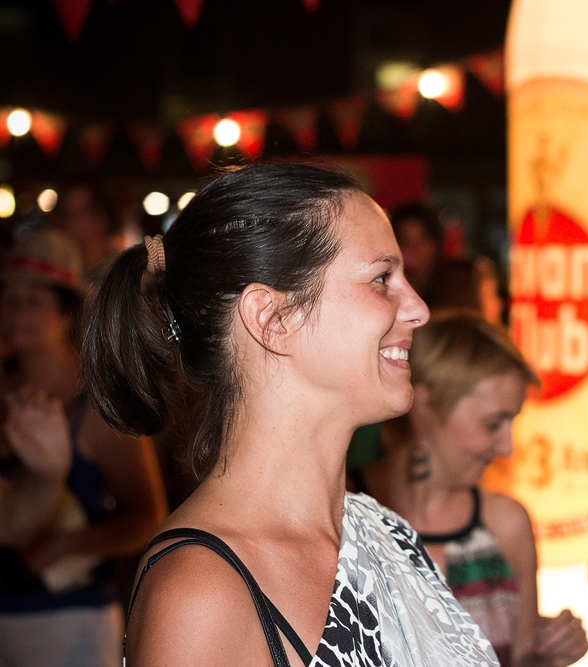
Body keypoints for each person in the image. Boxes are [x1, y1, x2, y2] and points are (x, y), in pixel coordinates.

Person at [81, 164, 499, 667]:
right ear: (272, 318)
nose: (418, 309)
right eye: (381, 279)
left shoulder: (389, 532)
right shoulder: (202, 593)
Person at [355, 312, 588, 667]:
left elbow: (521, 660)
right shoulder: (342, 508)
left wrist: (550, 656)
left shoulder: (505, 523)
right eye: (493, 424)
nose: (507, 447)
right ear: (425, 407)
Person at [0, 228, 167, 667]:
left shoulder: (99, 406)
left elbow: (149, 517)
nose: (16, 314)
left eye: (34, 301)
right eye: (9, 299)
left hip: (69, 621)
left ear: (65, 312)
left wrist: (67, 545)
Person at [48, 179, 121, 285]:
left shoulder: (120, 276)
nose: (68, 224)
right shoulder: (60, 273)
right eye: (64, 215)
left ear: (101, 219)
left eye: (76, 214)